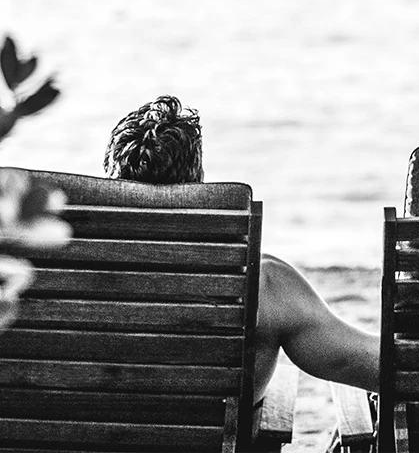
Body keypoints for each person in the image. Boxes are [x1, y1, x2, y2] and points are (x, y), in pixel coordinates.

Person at [104, 95, 379, 405]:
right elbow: (352, 361)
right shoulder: (261, 283)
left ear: (110, 185)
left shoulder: (62, 275)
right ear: (198, 183)